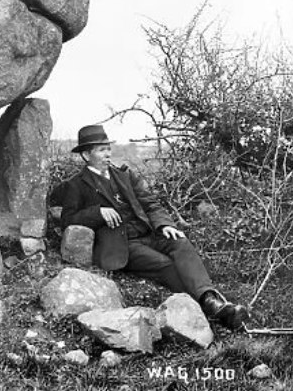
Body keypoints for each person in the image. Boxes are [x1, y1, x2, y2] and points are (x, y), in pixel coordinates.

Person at [60, 124, 249, 330]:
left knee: (180, 242)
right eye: (101, 149)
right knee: (164, 264)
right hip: (124, 245)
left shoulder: (124, 175)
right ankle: (213, 307)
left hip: (148, 233)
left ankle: (211, 301)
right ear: (87, 155)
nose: (108, 153)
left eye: (108, 148)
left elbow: (150, 203)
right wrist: (97, 212)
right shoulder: (76, 184)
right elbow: (68, 219)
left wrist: (165, 224)